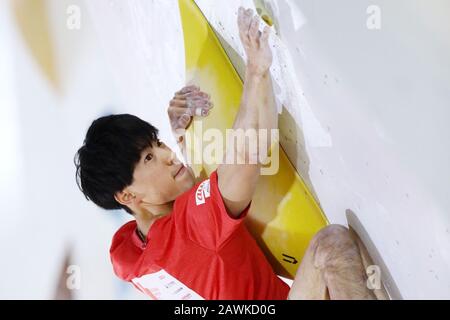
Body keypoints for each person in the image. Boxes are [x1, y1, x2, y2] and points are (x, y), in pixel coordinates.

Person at [74, 7, 377, 300]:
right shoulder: (190, 233)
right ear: (126, 196)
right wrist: (257, 72)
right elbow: (247, 157)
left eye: (158, 143)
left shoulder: (131, 254)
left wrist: (184, 139)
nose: (167, 155)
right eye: (149, 158)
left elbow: (197, 261)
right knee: (332, 246)